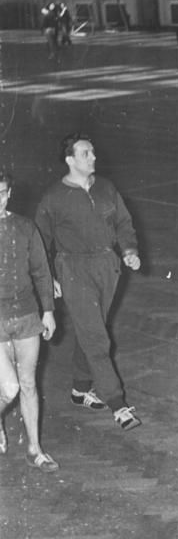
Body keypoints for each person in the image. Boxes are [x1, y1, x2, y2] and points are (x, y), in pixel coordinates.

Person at [35, 133, 142, 432]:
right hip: (73, 269)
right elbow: (40, 243)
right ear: (70, 160)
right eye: (86, 153)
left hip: (107, 267)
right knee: (96, 336)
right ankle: (118, 404)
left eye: (93, 151)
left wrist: (129, 251)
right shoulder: (53, 197)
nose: (93, 157)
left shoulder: (106, 187)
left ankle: (81, 388)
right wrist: (49, 279)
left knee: (92, 327)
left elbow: (123, 222)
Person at [0, 171, 59, 472]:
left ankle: (35, 449)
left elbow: (40, 270)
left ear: (9, 194)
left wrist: (47, 310)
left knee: (28, 384)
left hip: (25, 314)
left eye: (2, 192)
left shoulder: (24, 227)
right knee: (8, 388)